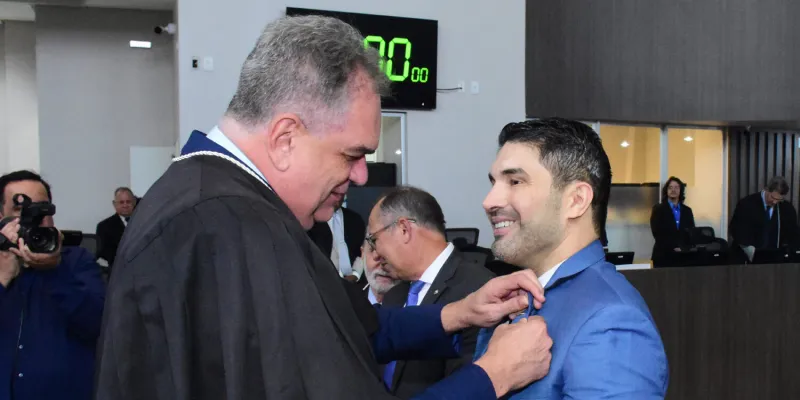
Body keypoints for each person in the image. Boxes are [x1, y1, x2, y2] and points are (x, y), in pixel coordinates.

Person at [95, 15, 554, 400]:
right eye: (352, 155)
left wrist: (460, 313)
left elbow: (341, 331)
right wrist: (494, 375)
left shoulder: (209, 200)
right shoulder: (233, 227)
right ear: (285, 138)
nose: (361, 177)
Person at [474, 118, 669, 399]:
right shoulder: (513, 297)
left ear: (576, 200)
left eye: (515, 181)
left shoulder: (611, 321)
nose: (489, 201)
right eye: (494, 182)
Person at [369, 186, 495, 398]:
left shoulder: (480, 291)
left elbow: (471, 385)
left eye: (374, 240)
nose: (375, 253)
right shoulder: (394, 294)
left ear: (404, 229)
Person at [0, 170, 106, 400]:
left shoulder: (77, 261)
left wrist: (54, 271)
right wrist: (2, 278)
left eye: (43, 209)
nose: (35, 218)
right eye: (21, 209)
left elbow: (99, 326)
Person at [729, 176, 800, 261]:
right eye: (773, 197)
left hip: (776, 258)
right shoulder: (746, 204)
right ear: (766, 189)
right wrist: (750, 250)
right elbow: (736, 229)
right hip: (747, 257)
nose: (775, 202)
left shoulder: (787, 208)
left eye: (779, 199)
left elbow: (793, 233)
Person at [308, 196, 367, 282]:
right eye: (334, 192)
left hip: (356, 282)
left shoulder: (355, 219)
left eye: (341, 193)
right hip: (324, 283)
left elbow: (364, 251)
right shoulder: (312, 221)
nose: (338, 196)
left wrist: (355, 274)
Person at [650, 176, 696, 267]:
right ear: (666, 190)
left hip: (683, 257)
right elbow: (657, 232)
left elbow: (691, 232)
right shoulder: (658, 209)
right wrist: (673, 247)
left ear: (681, 190)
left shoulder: (687, 211)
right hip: (663, 256)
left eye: (676, 187)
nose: (673, 190)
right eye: (670, 187)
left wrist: (683, 248)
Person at [95, 187, 136, 271]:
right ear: (114, 204)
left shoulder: (144, 222)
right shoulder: (104, 226)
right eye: (121, 202)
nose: (125, 205)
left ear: (134, 202)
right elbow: (106, 254)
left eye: (128, 202)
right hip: (118, 270)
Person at [358, 230, 400, 305]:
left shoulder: (417, 305)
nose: (384, 265)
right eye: (375, 250)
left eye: (395, 253)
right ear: (363, 253)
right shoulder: (348, 300)